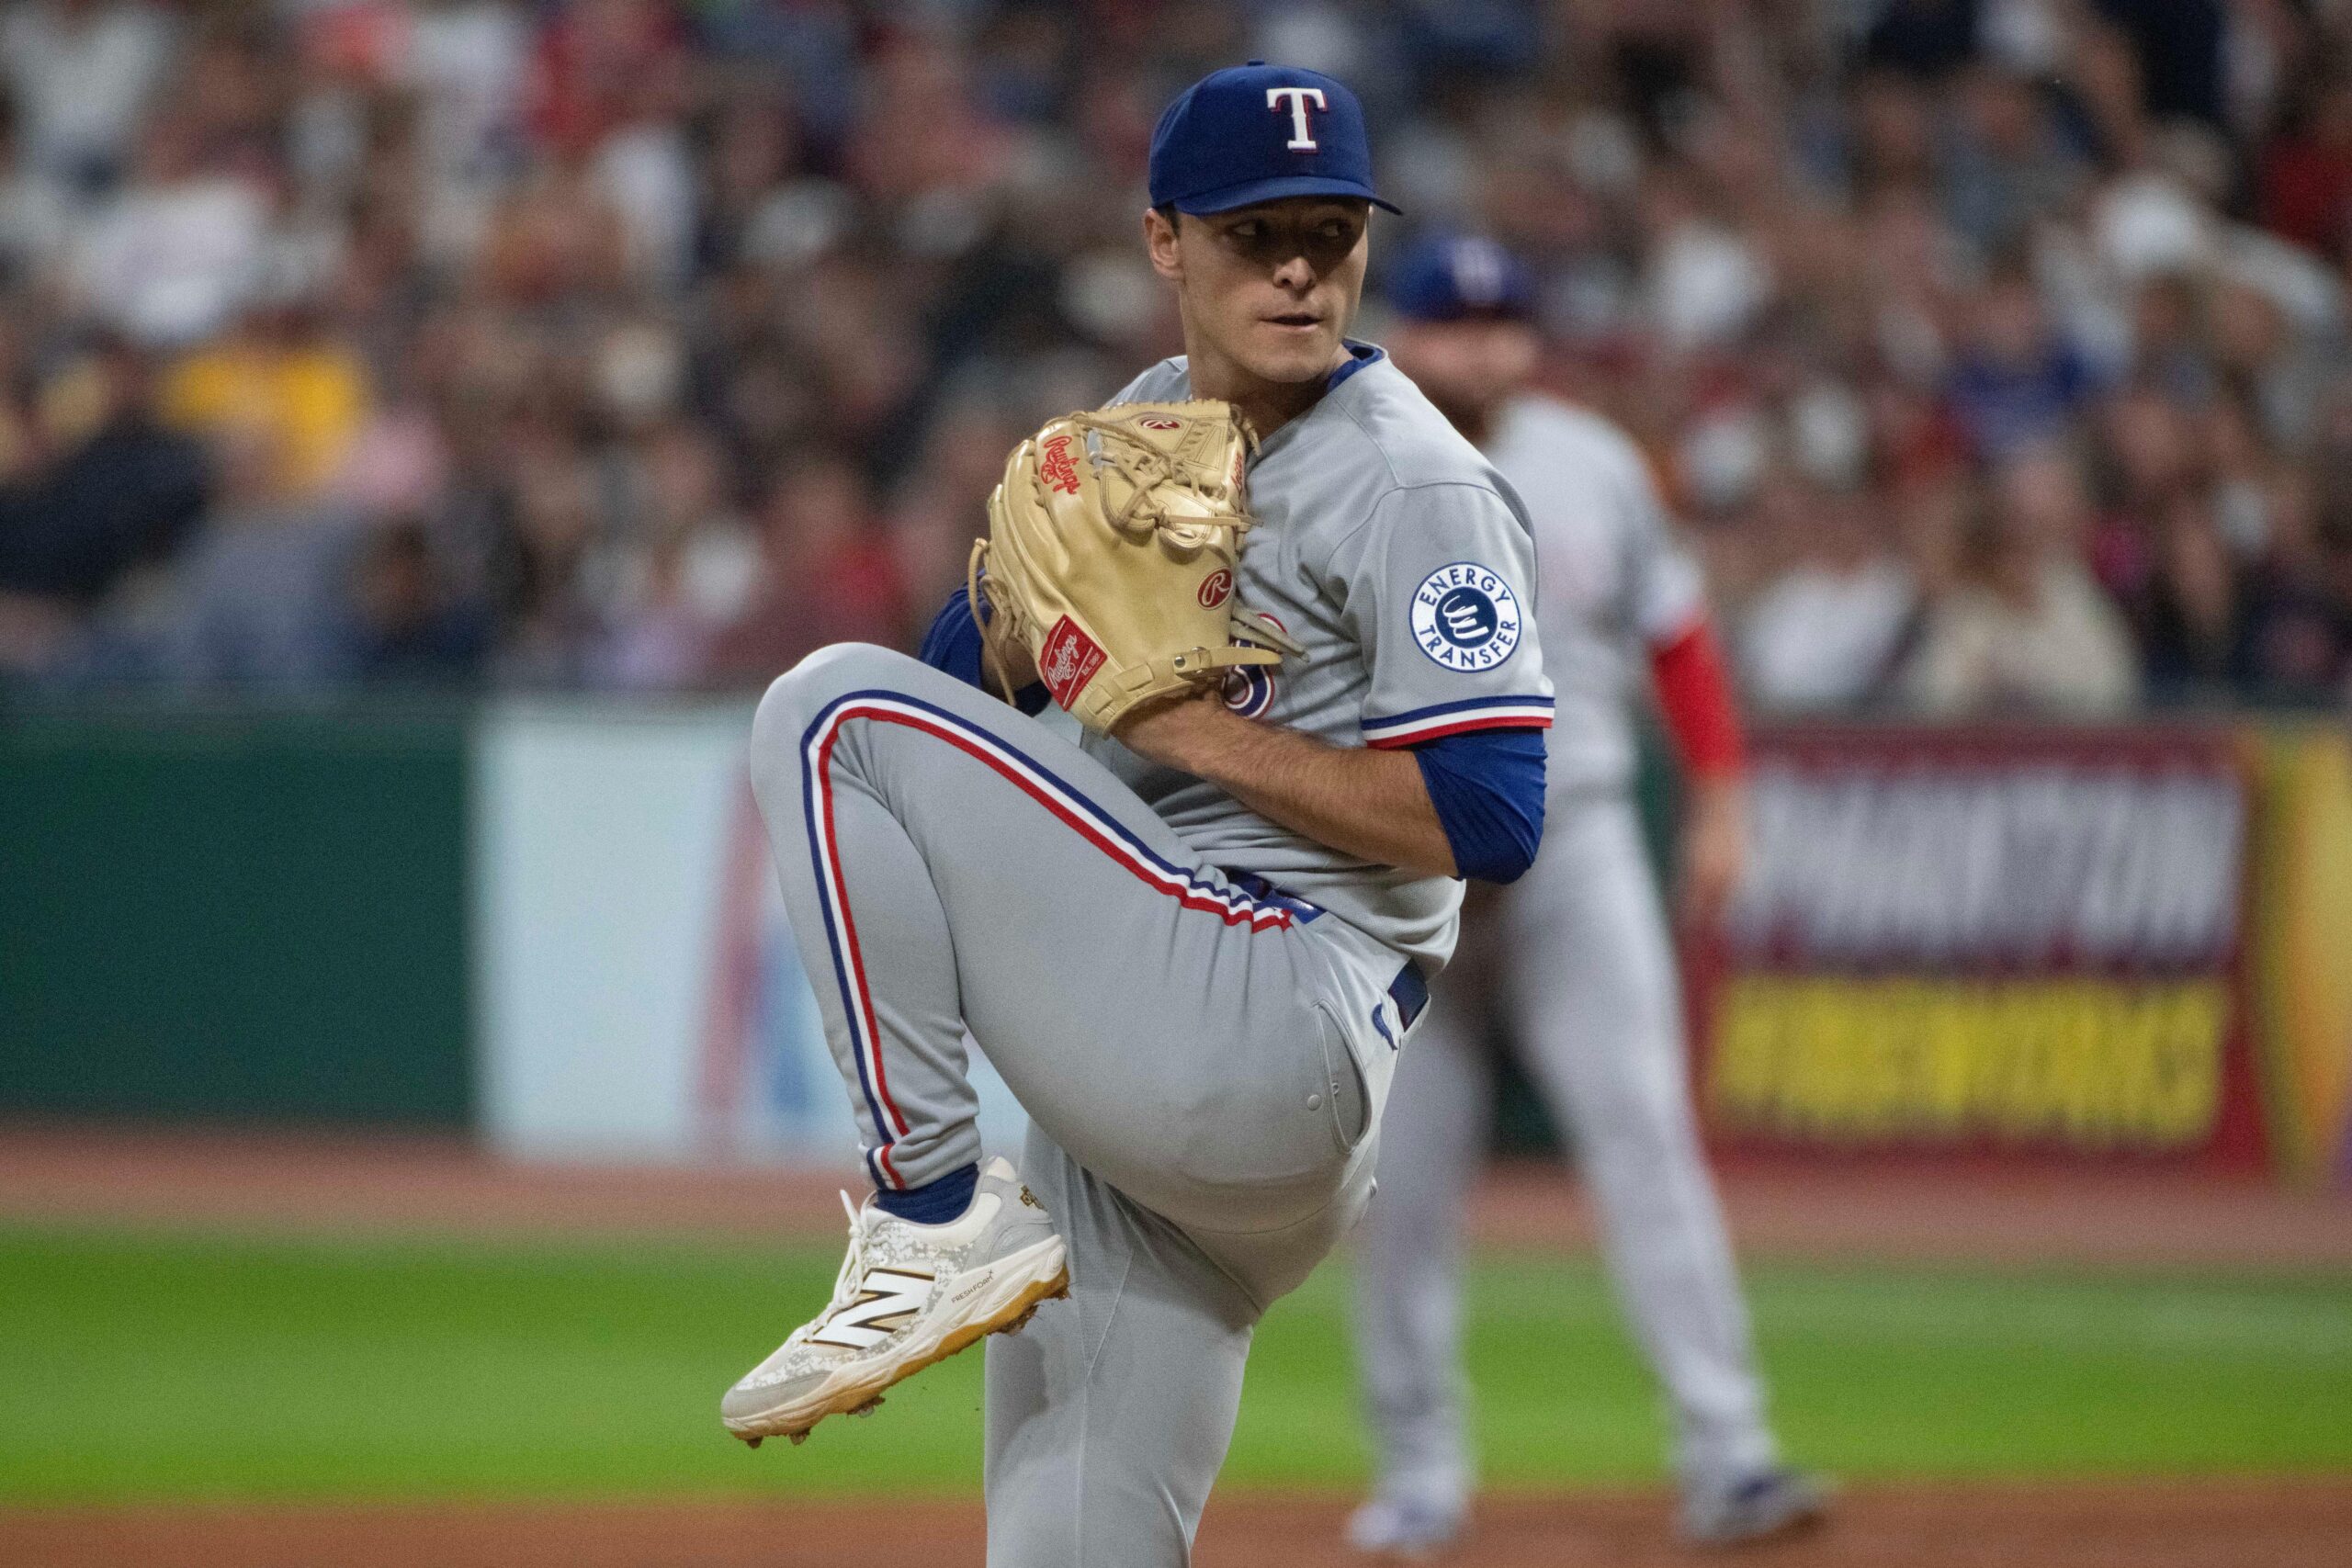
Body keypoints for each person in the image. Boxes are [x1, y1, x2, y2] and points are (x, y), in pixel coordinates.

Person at [718, 66, 1555, 1567]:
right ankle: (967, 1214)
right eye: (1256, 235)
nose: (1301, 269)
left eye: (1331, 230)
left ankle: (930, 1211)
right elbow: (951, 696)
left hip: (1280, 1005)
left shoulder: (1417, 483)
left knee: (825, 713)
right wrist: (1005, 614)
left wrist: (1179, 725)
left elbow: (1491, 813)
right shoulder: (1142, 432)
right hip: (1163, 1102)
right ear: (1166, 242)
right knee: (1066, 1543)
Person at [1344, 235, 1826, 1555]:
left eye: (1505, 326)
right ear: (1409, 334)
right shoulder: (1337, 459)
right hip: (1405, 874)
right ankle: (1418, 1475)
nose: (1482, 350)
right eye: (1454, 326)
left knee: (1647, 1137)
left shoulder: (1595, 461)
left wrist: (1722, 795)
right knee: (1398, 1188)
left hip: (1582, 840)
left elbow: (1677, 635)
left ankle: (1729, 1452)